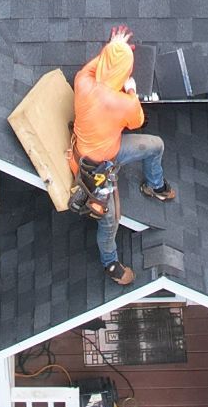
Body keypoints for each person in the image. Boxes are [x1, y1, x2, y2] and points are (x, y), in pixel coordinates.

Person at [72, 25, 173, 284]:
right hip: (94, 172)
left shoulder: (83, 81)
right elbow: (137, 121)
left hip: (93, 151)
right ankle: (110, 263)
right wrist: (130, 89)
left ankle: (155, 185)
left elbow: (98, 65)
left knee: (155, 146)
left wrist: (113, 48)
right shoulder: (124, 103)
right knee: (110, 221)